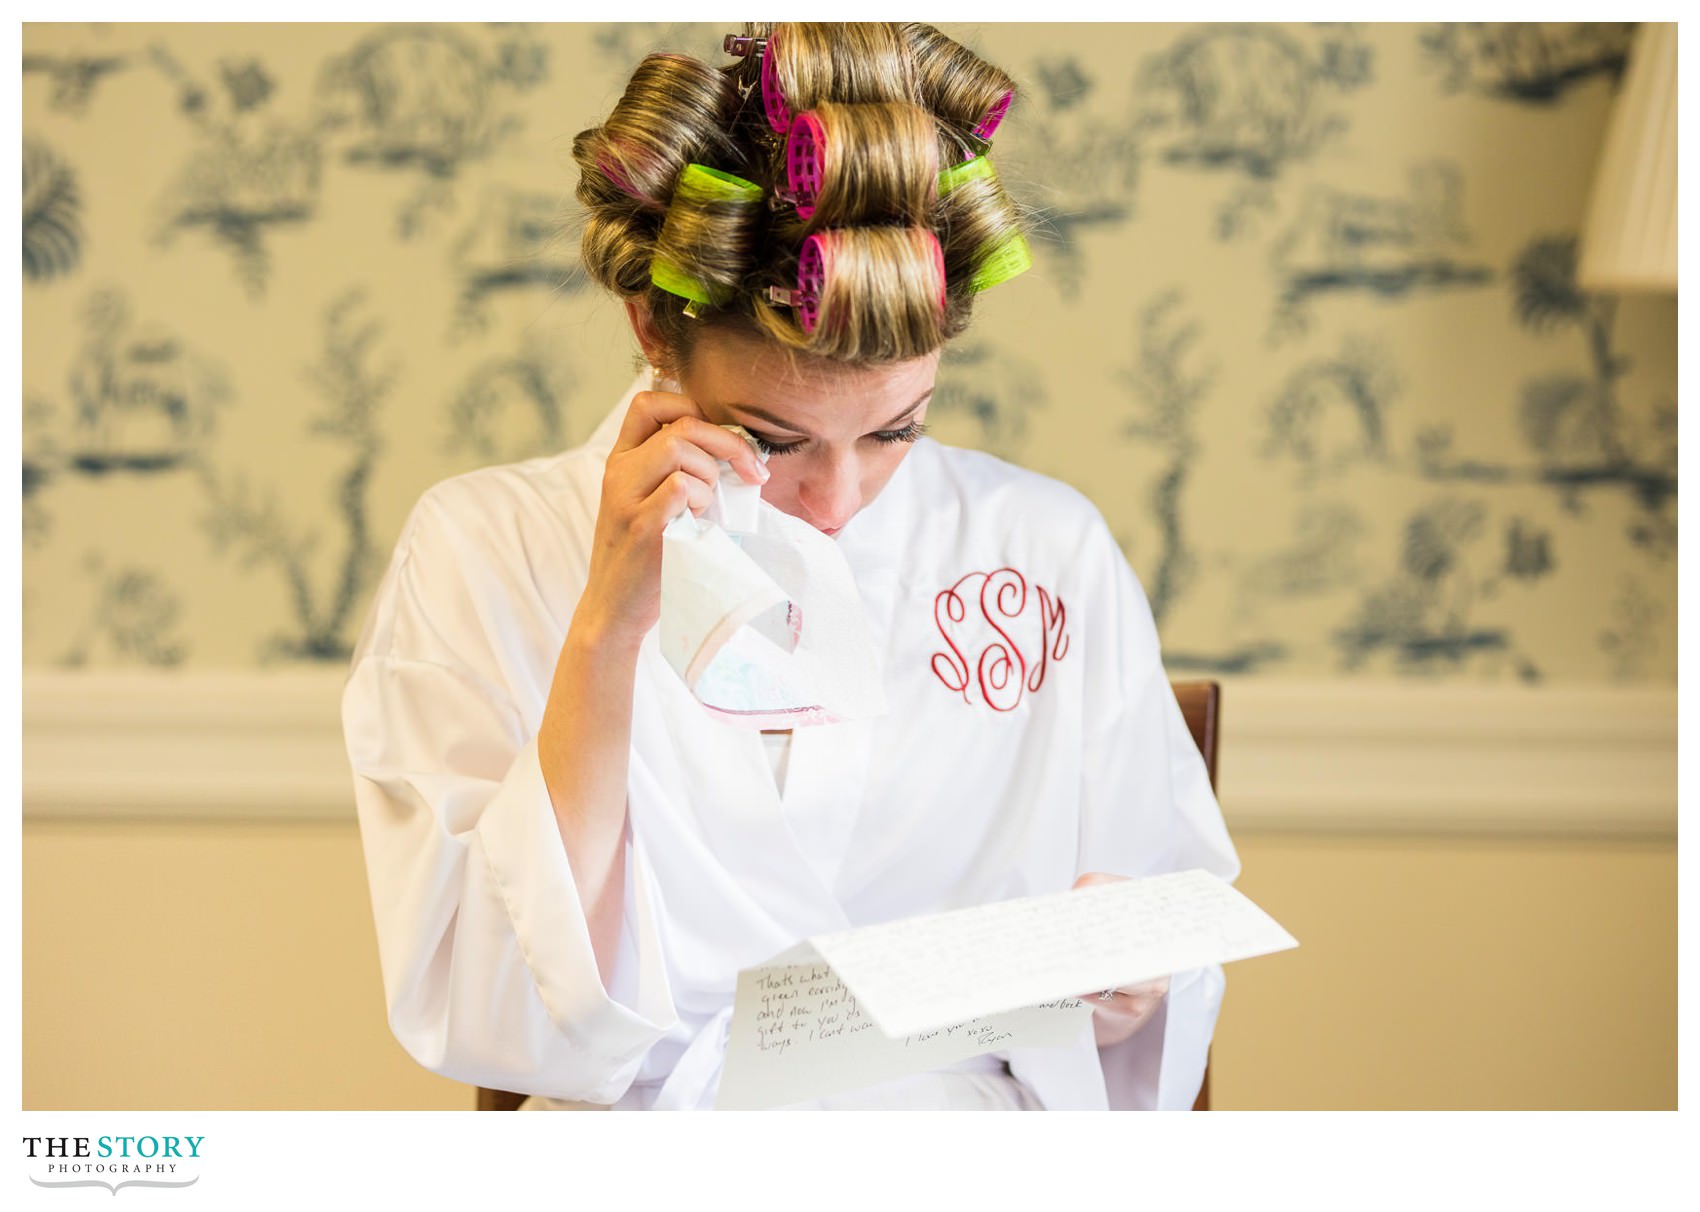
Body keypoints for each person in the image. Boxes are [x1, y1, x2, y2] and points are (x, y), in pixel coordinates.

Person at [342, 21, 1239, 1111]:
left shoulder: (1043, 548)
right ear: (650, 329)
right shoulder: (488, 545)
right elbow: (483, 1000)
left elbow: (1165, 922)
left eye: (895, 431)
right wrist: (607, 629)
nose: (837, 499)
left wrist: (1134, 983)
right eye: (771, 442)